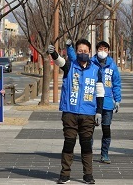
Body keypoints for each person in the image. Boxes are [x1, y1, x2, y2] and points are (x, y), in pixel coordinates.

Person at [48, 39, 104, 185]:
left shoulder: (96, 70)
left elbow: (100, 92)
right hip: (70, 112)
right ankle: (64, 174)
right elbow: (59, 61)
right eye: (80, 51)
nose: (83, 53)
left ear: (90, 52)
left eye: (85, 51)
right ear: (76, 52)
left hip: (88, 113)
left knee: (86, 145)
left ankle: (88, 175)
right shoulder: (69, 66)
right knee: (69, 143)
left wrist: (99, 112)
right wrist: (53, 52)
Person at [66, 40, 121, 164]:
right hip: (91, 102)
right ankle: (88, 153)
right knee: (88, 131)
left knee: (106, 129)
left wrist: (117, 100)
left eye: (105, 49)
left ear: (108, 51)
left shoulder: (112, 65)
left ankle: (104, 154)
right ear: (96, 50)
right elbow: (74, 57)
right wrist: (69, 47)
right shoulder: (90, 63)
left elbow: (116, 83)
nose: (103, 51)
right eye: (100, 49)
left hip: (107, 103)